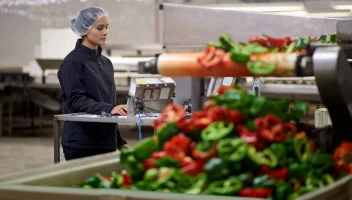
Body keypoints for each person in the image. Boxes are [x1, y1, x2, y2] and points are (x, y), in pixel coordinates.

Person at [58, 7, 127, 161]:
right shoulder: (72, 62)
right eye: (99, 28)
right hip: (82, 143)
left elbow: (109, 104)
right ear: (85, 30)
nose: (105, 32)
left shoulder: (106, 63)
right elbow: (76, 101)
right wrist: (110, 108)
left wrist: (118, 141)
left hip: (106, 143)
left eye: (107, 27)